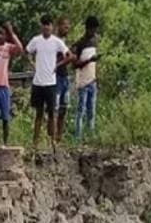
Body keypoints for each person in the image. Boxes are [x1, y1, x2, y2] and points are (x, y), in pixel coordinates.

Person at [25, 14, 70, 151]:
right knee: (38, 113)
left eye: (48, 24)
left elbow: (68, 55)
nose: (46, 27)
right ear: (41, 26)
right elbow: (27, 52)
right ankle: (35, 143)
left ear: (52, 26)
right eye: (44, 25)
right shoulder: (36, 40)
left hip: (51, 82)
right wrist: (32, 63)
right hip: (38, 82)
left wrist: (57, 65)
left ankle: (52, 143)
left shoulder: (56, 41)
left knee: (52, 114)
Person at [72, 16, 101, 140]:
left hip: (92, 81)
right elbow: (75, 64)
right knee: (81, 111)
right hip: (83, 82)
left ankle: (90, 137)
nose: (94, 32)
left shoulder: (95, 41)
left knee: (91, 112)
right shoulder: (80, 44)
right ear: (88, 28)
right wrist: (89, 60)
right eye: (93, 29)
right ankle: (77, 137)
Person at [53, 16, 76, 138]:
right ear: (59, 26)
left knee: (64, 108)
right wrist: (64, 60)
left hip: (65, 77)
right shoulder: (55, 41)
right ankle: (52, 137)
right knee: (55, 108)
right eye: (65, 26)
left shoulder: (66, 42)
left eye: (68, 26)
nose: (67, 28)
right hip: (56, 77)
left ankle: (59, 138)